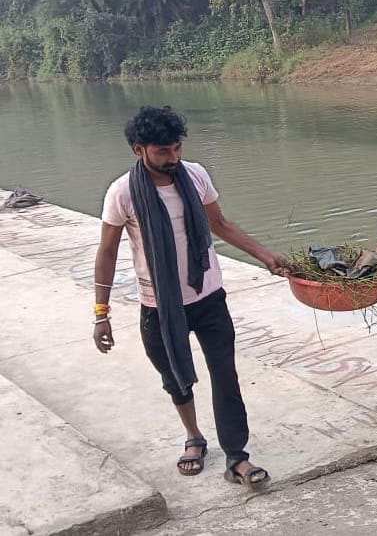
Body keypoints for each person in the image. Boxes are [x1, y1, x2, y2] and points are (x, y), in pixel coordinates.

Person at [93, 105, 286, 492]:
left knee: (225, 375)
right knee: (176, 379)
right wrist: (101, 312)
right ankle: (194, 438)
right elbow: (108, 252)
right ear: (139, 150)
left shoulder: (195, 175)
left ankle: (237, 456)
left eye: (177, 148)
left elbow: (220, 224)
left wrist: (266, 256)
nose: (173, 158)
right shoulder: (123, 193)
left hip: (209, 297)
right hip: (158, 306)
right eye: (163, 152)